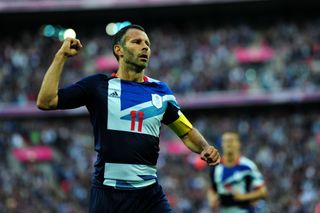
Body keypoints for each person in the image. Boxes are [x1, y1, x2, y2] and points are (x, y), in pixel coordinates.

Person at [37, 24, 220, 213]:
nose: (145, 47)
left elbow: (187, 132)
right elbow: (46, 101)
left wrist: (206, 147)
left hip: (150, 195)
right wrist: (61, 56)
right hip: (108, 194)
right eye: (137, 42)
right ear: (119, 50)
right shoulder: (98, 86)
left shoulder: (161, 92)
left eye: (147, 43)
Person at [207, 131, 267, 213]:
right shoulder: (216, 166)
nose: (228, 144)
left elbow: (263, 191)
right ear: (222, 144)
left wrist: (243, 197)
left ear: (238, 144)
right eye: (225, 141)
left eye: (231, 141)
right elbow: (213, 189)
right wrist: (211, 199)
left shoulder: (248, 166)